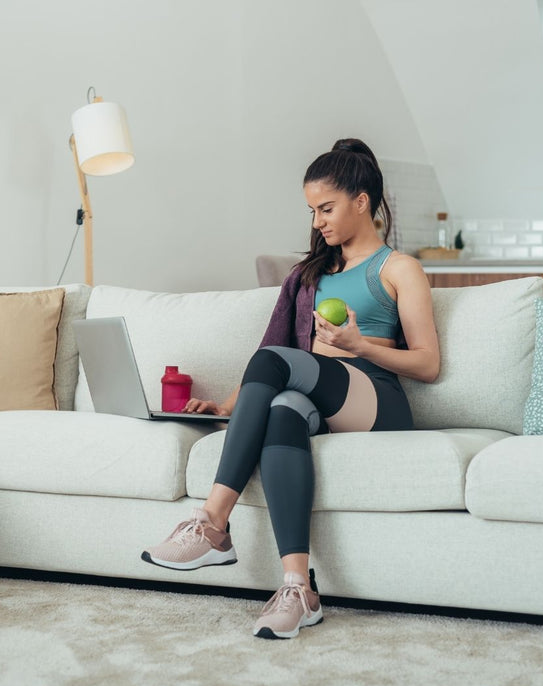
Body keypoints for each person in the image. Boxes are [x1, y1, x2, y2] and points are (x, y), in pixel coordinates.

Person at [141, 138, 440, 639]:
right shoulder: (309, 277)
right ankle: (298, 588)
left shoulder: (398, 269)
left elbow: (428, 364)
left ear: (361, 201)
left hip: (377, 398)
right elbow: (274, 350)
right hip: (318, 399)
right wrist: (229, 407)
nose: (318, 221)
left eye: (327, 208)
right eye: (312, 210)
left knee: (278, 370)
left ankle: (214, 521)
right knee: (281, 408)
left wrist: (359, 344)